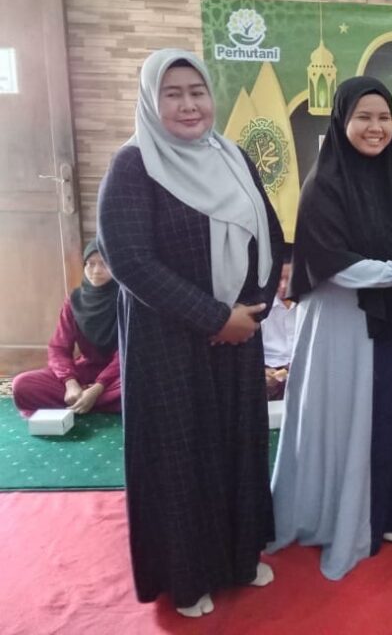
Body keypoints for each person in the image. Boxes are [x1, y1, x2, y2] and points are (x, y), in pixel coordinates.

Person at [97, 49, 284, 618]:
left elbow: (271, 234)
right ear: (150, 100)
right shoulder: (133, 167)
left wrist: (252, 311)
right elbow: (130, 262)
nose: (188, 105)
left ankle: (239, 556)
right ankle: (187, 576)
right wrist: (214, 318)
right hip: (169, 346)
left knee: (236, 446)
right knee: (182, 456)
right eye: (172, 93)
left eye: (197, 92)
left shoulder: (233, 157)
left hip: (237, 339)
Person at [269, 76, 392, 581]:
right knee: (351, 419)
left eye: (384, 117)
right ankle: (343, 516)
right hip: (343, 325)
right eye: (364, 117)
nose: (376, 128)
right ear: (341, 121)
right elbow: (331, 262)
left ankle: (389, 510)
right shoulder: (324, 184)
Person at [11, 240, 121, 417]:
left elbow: (127, 352)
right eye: (90, 264)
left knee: (142, 384)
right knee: (22, 384)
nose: (96, 271)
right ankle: (93, 401)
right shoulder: (75, 301)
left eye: (104, 264)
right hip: (85, 371)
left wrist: (97, 388)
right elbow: (58, 348)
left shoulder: (127, 300)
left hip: (118, 374)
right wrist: (70, 383)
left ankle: (87, 401)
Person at [263, 247, 296, 401]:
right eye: (279, 280)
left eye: (289, 280)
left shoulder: (310, 306)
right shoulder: (262, 307)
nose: (283, 287)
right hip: (269, 371)